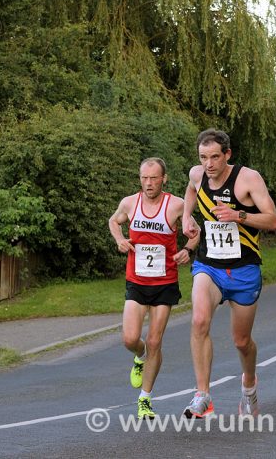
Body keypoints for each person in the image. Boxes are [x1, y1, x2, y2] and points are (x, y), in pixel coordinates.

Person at [181, 129, 276, 419]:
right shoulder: (197, 174)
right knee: (199, 320)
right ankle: (203, 395)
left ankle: (249, 386)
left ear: (227, 154)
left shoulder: (248, 179)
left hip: (243, 270)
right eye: (203, 157)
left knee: (241, 341)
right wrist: (187, 217)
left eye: (214, 157)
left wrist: (238, 216)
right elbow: (191, 190)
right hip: (209, 266)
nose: (208, 164)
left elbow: (273, 220)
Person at [109, 157, 199, 419]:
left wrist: (187, 249)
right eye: (144, 178)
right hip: (137, 281)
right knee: (130, 339)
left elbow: (195, 231)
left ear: (164, 179)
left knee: (155, 341)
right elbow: (114, 221)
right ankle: (140, 357)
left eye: (153, 178)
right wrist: (119, 239)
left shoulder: (176, 205)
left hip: (164, 282)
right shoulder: (130, 203)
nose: (148, 183)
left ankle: (145, 400)